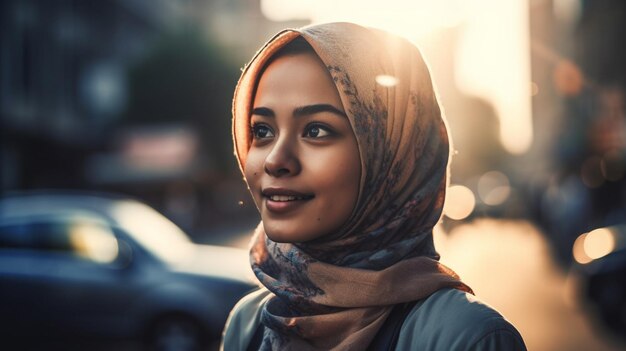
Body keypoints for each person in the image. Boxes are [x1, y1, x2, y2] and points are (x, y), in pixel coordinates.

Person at [222, 22, 526, 350]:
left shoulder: (465, 337)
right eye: (263, 131)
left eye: (316, 130)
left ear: (392, 155)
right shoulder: (248, 323)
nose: (275, 160)